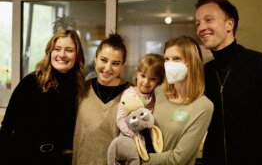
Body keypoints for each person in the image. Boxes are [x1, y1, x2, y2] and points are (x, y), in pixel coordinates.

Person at [195, 0, 262, 165]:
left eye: (208, 20)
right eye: (198, 23)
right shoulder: (205, 72)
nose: (201, 28)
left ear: (229, 24)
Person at [0, 29, 85, 165]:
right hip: (24, 159)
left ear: (77, 55)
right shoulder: (31, 82)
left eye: (69, 50)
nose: (62, 55)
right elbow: (7, 127)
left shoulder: (78, 88)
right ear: (50, 52)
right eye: (57, 49)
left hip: (59, 160)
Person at [142, 35, 214, 165]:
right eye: (167, 59)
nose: (170, 64)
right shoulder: (158, 92)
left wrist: (139, 159)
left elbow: (179, 158)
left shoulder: (203, 106)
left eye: (176, 59)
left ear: (191, 62)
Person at [73, 33, 131, 165]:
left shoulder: (131, 94)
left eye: (115, 63)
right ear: (95, 58)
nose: (107, 68)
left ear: (123, 65)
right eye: (103, 60)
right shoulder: (81, 89)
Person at [117, 53, 165, 137]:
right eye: (143, 76)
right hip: (128, 136)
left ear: (160, 81)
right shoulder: (129, 94)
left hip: (148, 138)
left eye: (152, 79)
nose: (146, 82)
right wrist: (134, 135)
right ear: (137, 74)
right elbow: (120, 118)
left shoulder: (157, 96)